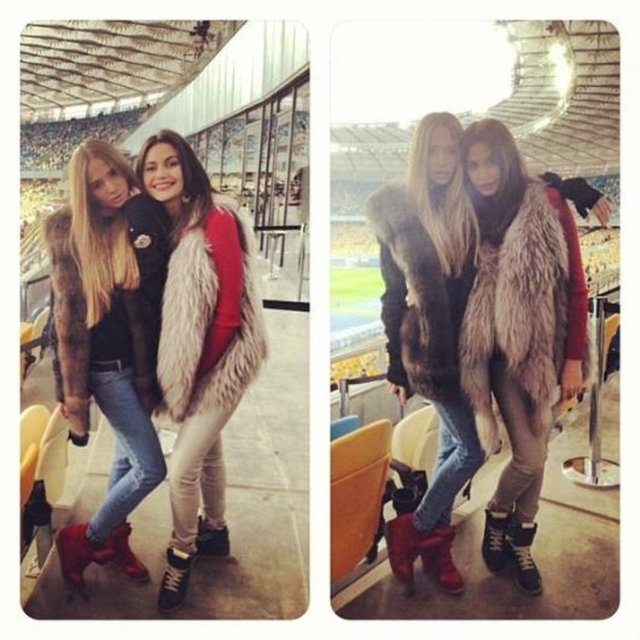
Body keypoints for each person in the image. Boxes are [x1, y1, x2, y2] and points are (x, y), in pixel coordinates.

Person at [458, 118, 593, 595]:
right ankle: (498, 512)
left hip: (544, 351)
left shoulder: (547, 203)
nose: (483, 174)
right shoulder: (468, 215)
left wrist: (572, 359)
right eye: (473, 165)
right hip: (496, 356)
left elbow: (576, 286)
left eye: (490, 161)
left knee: (541, 449)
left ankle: (520, 537)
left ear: (507, 158)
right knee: (530, 456)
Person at [135, 129, 268, 614]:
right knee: (209, 451)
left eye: (170, 163)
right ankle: (215, 530)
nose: (161, 174)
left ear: (187, 166)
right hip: (199, 362)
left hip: (226, 359)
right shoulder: (166, 223)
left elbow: (229, 314)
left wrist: (193, 378)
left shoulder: (216, 217)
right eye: (151, 167)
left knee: (181, 470)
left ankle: (182, 552)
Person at [365, 112, 486, 594]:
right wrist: (396, 365)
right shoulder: (397, 212)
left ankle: (434, 546)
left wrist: (575, 189)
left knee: (452, 447)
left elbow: (524, 185)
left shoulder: (470, 205)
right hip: (431, 355)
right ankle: (413, 530)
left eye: (450, 150)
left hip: (471, 349)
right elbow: (392, 296)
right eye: (433, 150)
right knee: (473, 450)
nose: (442, 160)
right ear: (420, 153)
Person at [44, 139, 170, 592]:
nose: (111, 188)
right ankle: (86, 538)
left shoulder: (137, 220)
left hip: (137, 364)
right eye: (97, 185)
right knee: (151, 468)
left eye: (114, 174)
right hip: (103, 371)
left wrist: (138, 209)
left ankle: (114, 539)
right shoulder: (71, 235)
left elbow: (155, 283)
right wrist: (66, 391)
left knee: (125, 459)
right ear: (85, 193)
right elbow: (62, 321)